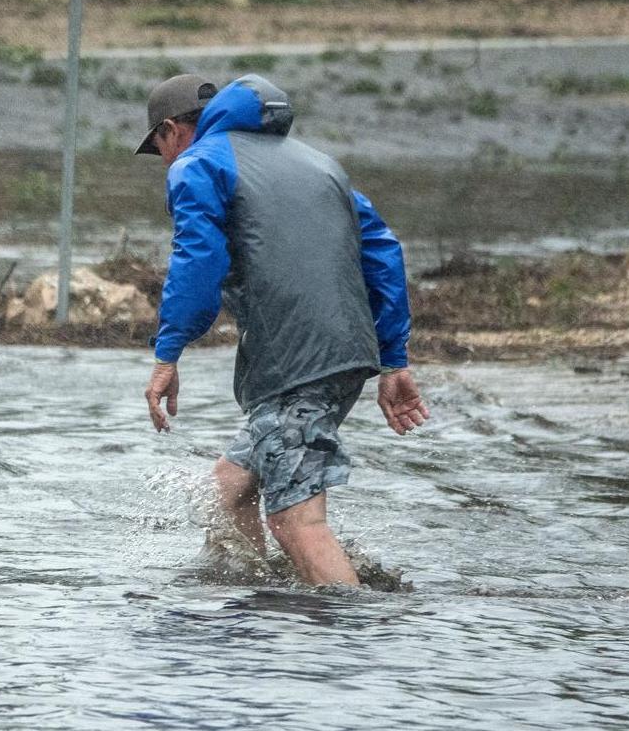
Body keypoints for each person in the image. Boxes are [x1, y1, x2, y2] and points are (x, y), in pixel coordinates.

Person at [136, 73, 430, 588]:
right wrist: (393, 359)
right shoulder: (320, 165)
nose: (163, 160)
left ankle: (345, 630)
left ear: (169, 131)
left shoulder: (197, 163)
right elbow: (384, 251)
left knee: (296, 520)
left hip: (297, 364)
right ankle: (262, 602)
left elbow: (196, 262)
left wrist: (168, 353)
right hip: (341, 357)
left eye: (158, 147)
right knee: (227, 493)